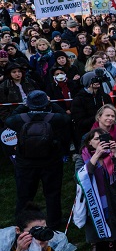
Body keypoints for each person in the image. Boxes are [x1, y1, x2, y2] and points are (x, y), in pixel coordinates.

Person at [4, 91, 71, 228]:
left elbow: (8, 120)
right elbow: (66, 118)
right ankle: (54, 223)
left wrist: (23, 105)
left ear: (29, 103)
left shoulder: (20, 118)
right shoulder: (53, 118)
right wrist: (51, 102)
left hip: (25, 164)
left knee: (24, 196)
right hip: (50, 162)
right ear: (45, 103)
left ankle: (22, 224)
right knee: (52, 194)